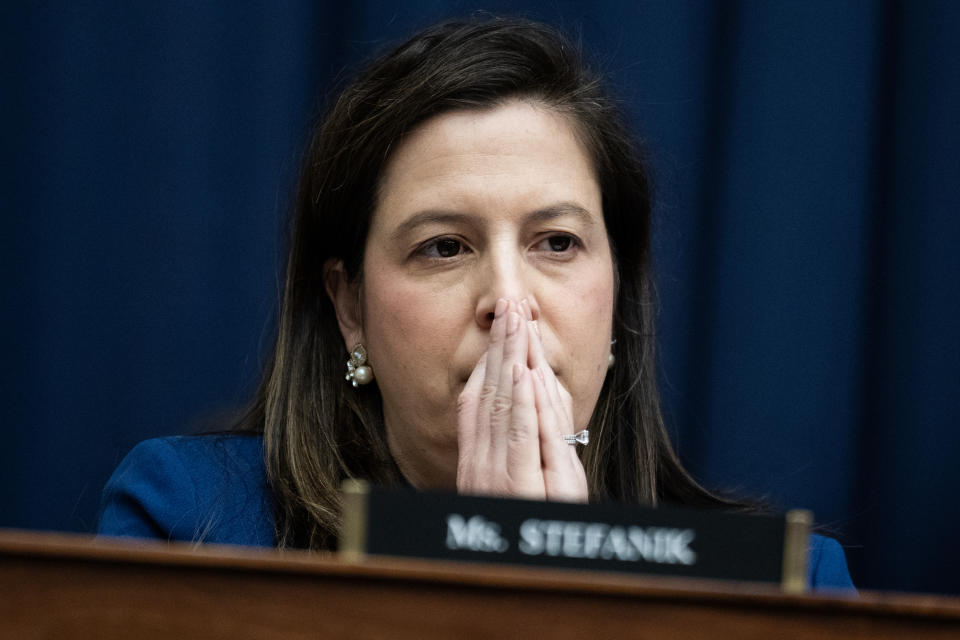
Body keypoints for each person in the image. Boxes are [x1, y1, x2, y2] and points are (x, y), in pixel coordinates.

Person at [98, 17, 854, 590]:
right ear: (350, 307)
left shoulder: (793, 582)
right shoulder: (187, 518)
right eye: (444, 247)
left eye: (556, 243)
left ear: (617, 296)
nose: (508, 299)